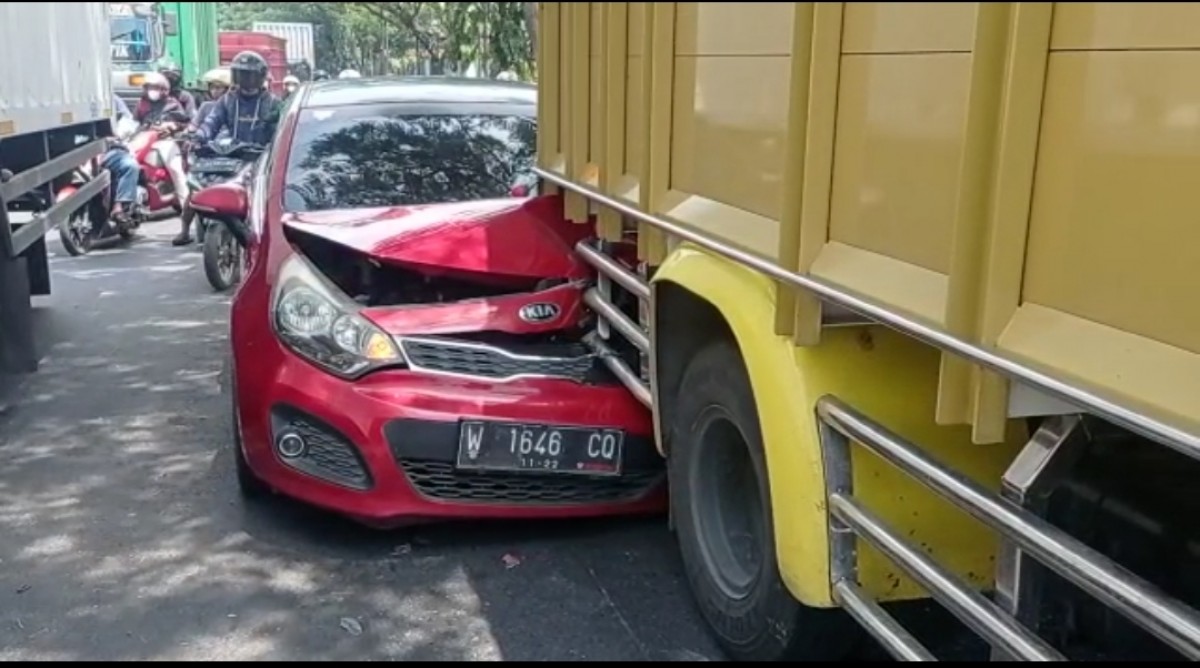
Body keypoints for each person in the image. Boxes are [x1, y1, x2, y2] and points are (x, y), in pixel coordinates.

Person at [181, 51, 283, 246]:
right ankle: (187, 228)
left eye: (250, 75)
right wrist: (198, 137)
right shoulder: (227, 100)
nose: (245, 79)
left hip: (260, 158)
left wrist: (273, 145)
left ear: (260, 76)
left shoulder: (273, 103)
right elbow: (211, 122)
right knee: (197, 184)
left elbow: (280, 130)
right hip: (232, 156)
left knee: (269, 198)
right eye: (241, 74)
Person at [134, 72, 192, 235]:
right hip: (143, 140)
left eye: (155, 87)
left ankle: (187, 209)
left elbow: (185, 122)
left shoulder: (172, 104)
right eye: (149, 87)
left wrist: (172, 126)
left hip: (166, 142)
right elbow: (134, 122)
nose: (151, 91)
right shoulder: (141, 105)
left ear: (164, 90)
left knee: (176, 171)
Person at [101, 94, 141, 229]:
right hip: (84, 155)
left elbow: (128, 121)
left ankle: (119, 207)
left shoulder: (112, 99)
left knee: (130, 165)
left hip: (109, 150)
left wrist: (117, 135)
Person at [190, 67, 231, 132]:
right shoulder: (206, 106)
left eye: (218, 88)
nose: (214, 91)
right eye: (212, 88)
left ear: (227, 89)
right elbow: (194, 125)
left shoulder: (233, 107)